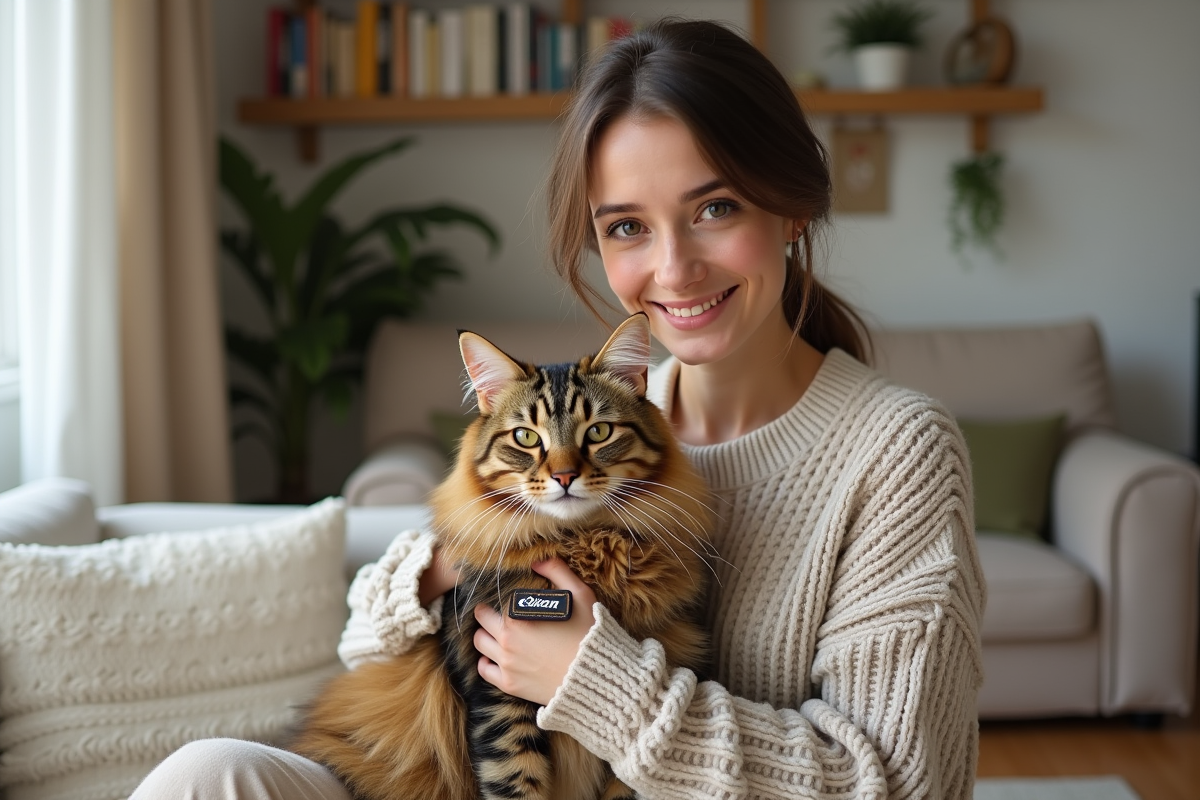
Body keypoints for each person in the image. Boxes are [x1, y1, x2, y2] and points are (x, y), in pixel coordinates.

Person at [132, 17, 984, 800]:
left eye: (714, 209)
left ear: (793, 206)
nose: (674, 268)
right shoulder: (597, 418)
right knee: (212, 775)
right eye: (626, 228)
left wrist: (599, 680)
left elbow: (898, 784)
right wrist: (440, 576)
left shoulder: (896, 449)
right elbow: (370, 645)